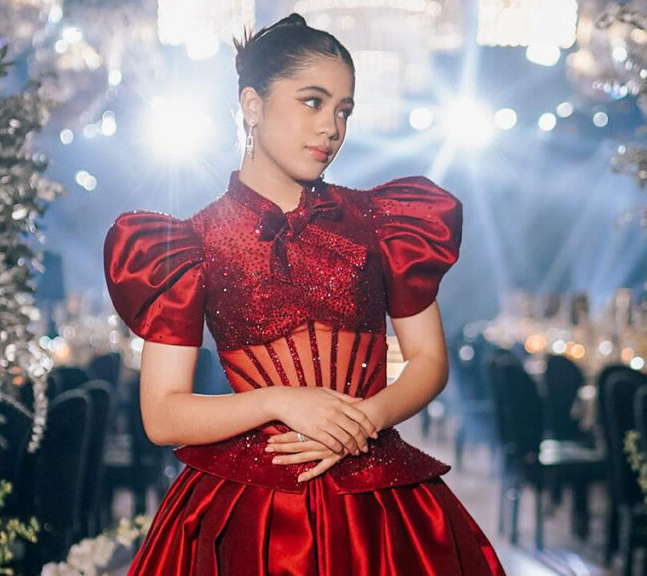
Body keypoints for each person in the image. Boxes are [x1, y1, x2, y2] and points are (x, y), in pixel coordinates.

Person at [104, 13, 506, 575]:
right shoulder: (187, 244)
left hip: (378, 505)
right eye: (313, 102)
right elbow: (163, 414)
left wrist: (362, 421)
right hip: (248, 516)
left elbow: (429, 360)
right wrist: (278, 402)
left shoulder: (383, 221)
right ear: (252, 104)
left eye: (344, 111)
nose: (331, 128)